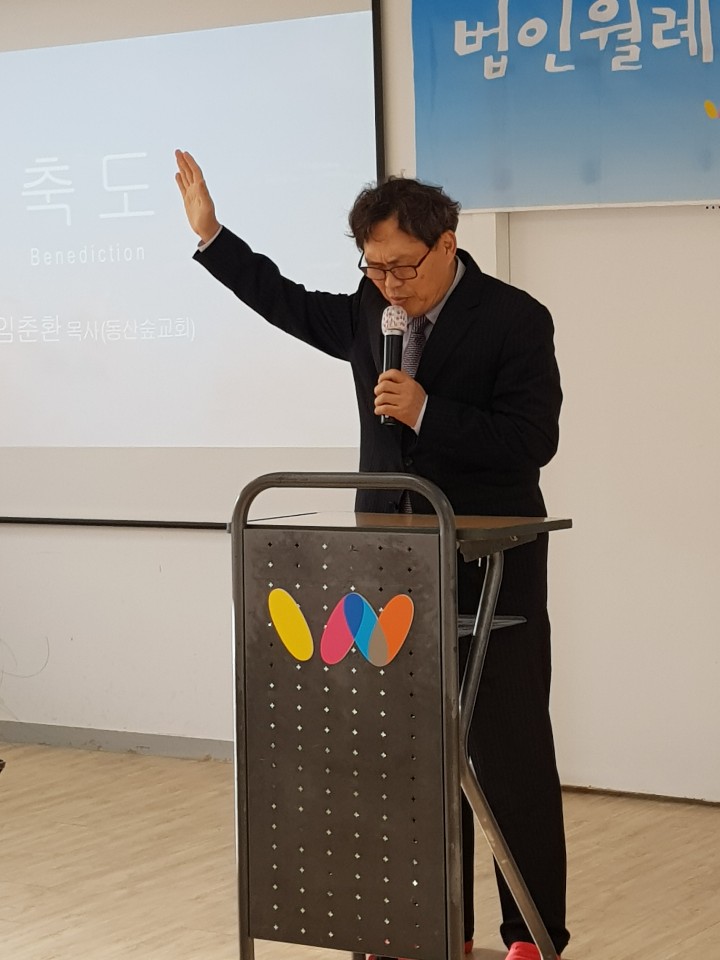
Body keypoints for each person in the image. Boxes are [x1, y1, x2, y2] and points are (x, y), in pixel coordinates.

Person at [174, 149, 569, 960]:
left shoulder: (515, 319)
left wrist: (428, 412)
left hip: (492, 566)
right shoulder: (370, 309)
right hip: (390, 564)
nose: (389, 284)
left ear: (448, 243)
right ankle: (434, 930)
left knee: (509, 757)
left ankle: (530, 935)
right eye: (374, 266)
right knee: (409, 758)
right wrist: (213, 237)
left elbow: (533, 442)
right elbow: (288, 303)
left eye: (403, 267)